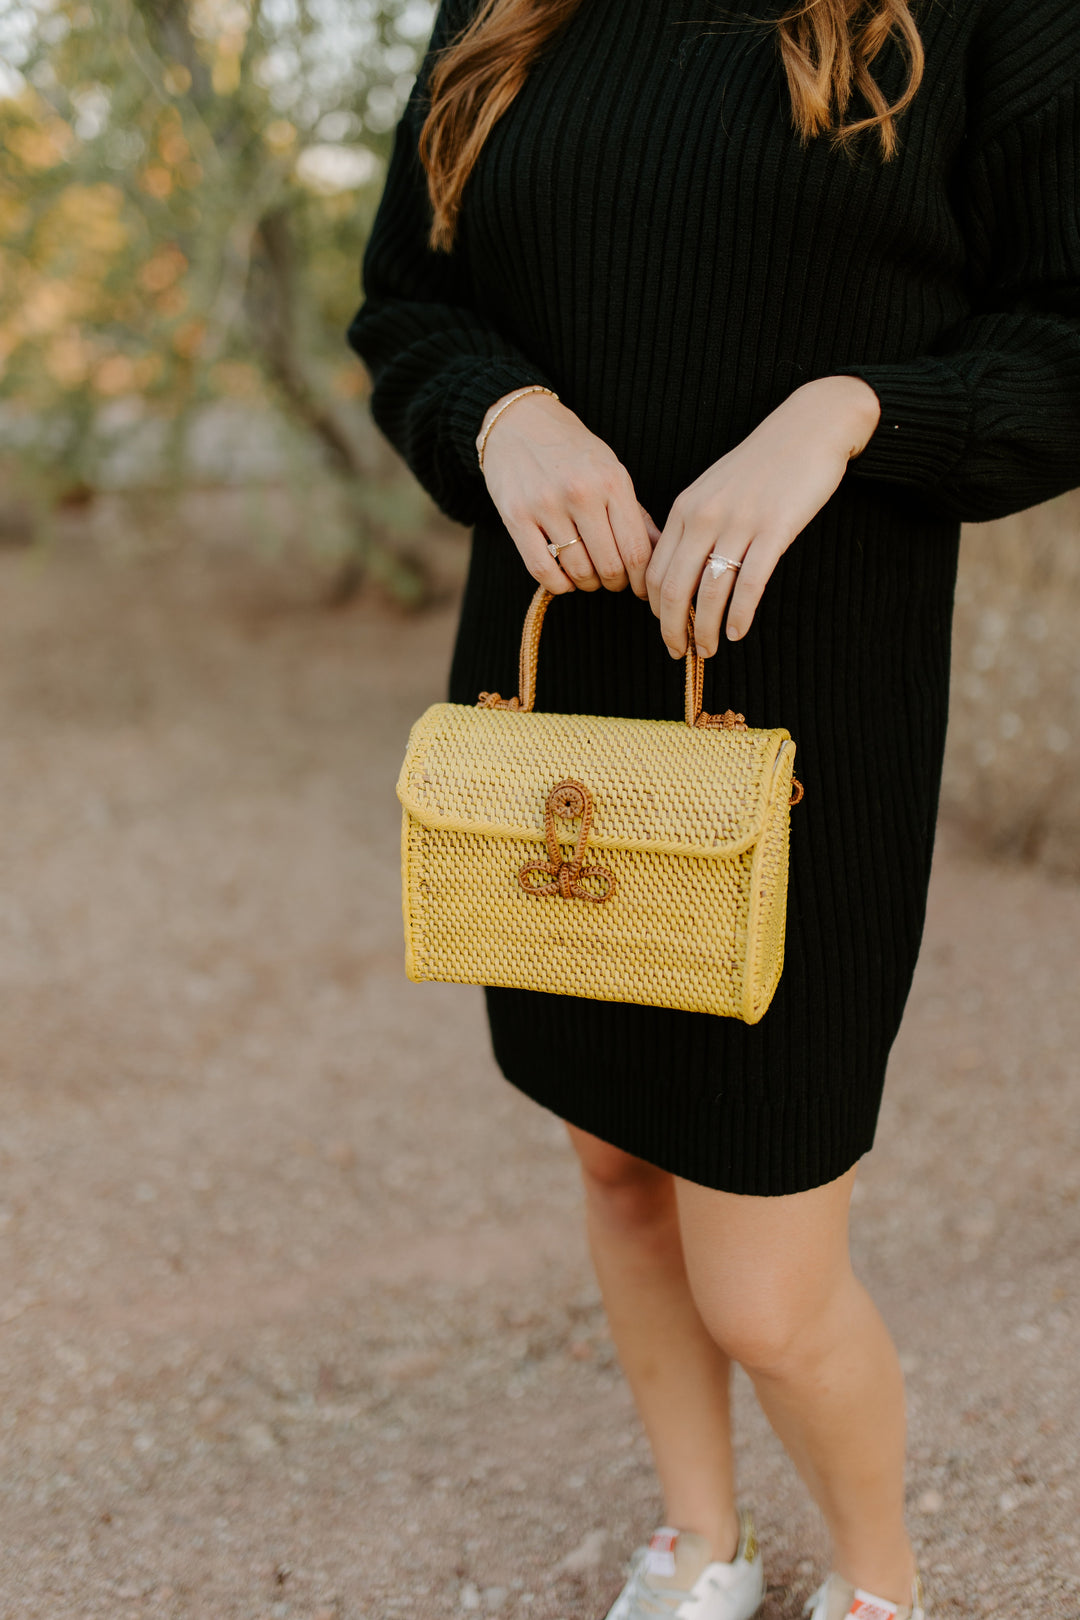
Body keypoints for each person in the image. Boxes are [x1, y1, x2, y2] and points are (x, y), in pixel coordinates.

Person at [347, 1, 1080, 1615]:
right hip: (550, 702)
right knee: (616, 1169)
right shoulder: (503, 6)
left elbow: (1063, 338)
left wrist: (849, 411)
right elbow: (408, 301)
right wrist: (500, 411)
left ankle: (879, 1587)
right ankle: (703, 1548)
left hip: (813, 719)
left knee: (766, 1289)